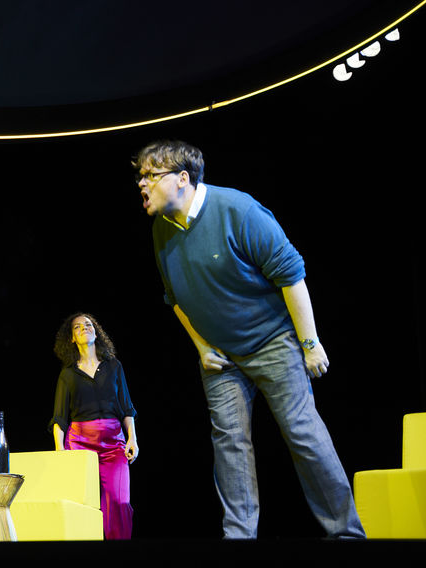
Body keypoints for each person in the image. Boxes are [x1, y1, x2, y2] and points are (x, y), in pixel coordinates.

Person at [133, 139, 364, 539]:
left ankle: (347, 534)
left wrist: (310, 344)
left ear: (182, 178)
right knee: (230, 446)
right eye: (140, 176)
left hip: (273, 341)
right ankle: (239, 540)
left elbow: (291, 275)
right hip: (221, 357)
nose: (141, 183)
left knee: (303, 432)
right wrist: (202, 347)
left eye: (150, 175)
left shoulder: (238, 209)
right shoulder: (161, 229)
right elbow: (175, 299)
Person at [50, 313, 138, 540]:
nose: (84, 328)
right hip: (79, 445)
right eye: (77, 327)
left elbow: (126, 407)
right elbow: (59, 418)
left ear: (96, 332)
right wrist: (60, 451)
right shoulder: (68, 374)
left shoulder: (114, 366)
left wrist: (132, 439)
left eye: (88, 324)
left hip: (113, 444)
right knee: (83, 504)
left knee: (119, 501)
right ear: (72, 338)